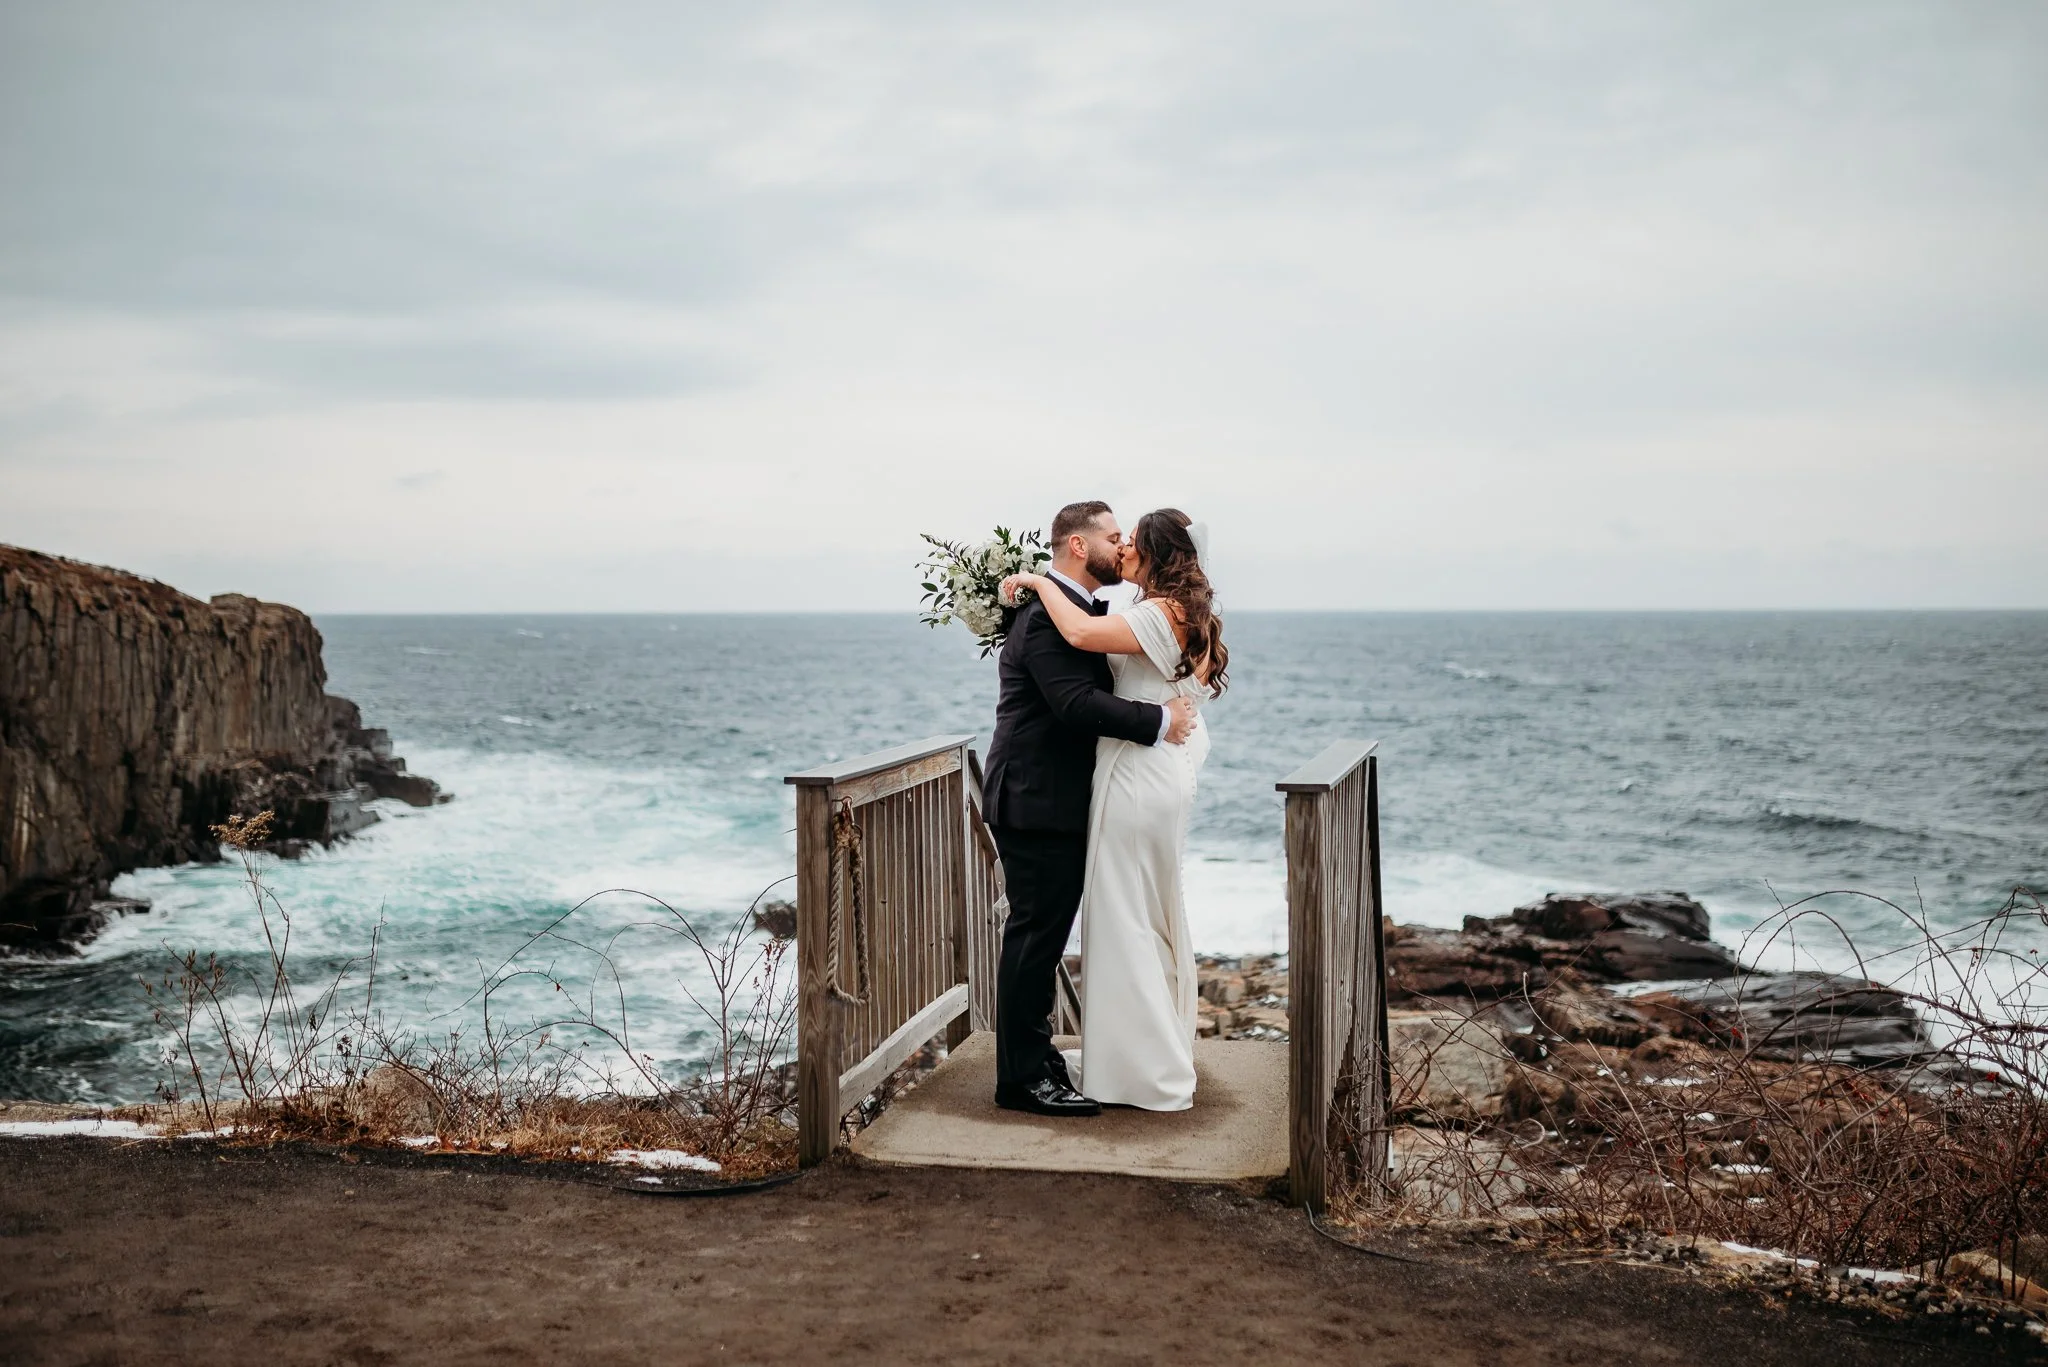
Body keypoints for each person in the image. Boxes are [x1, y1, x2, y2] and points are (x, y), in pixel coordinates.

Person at [1001, 508, 1227, 1111]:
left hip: (1131, 782)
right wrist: (1165, 720)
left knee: (1123, 917)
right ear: (1080, 544)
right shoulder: (1165, 614)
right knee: (1111, 919)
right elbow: (1080, 699)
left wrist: (1039, 580)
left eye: (1130, 541)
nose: (1121, 546)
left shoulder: (1143, 614)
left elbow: (1083, 655)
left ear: (1152, 555)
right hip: (1062, 793)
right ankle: (1037, 1072)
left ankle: (1123, 1062)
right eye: (1112, 537)